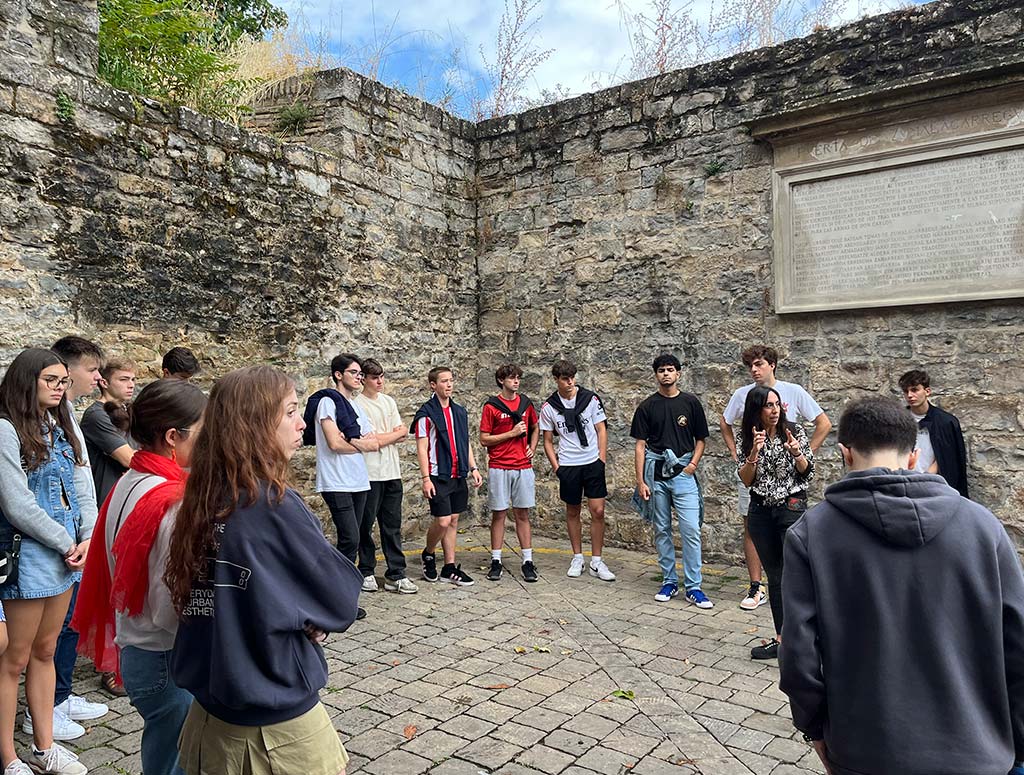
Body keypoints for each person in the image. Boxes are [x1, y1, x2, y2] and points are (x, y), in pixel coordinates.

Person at [780, 396, 1024, 775]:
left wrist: (815, 728)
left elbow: (798, 654)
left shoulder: (811, 534)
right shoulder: (983, 527)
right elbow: (1018, 640)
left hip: (866, 750)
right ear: (913, 456)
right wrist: (1018, 742)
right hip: (978, 750)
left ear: (845, 454)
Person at [165, 366, 360, 775]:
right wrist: (309, 615)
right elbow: (339, 597)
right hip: (274, 724)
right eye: (290, 411)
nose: (301, 422)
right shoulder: (272, 504)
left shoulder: (202, 498)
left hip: (210, 717)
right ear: (254, 425)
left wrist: (296, 609)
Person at [73, 380, 206, 775]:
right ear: (172, 437)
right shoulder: (169, 501)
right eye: (202, 433)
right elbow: (169, 605)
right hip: (165, 657)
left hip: (138, 650)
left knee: (163, 754)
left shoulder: (131, 480)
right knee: (175, 763)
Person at [0, 349, 93, 775]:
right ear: (27, 380)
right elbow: (16, 503)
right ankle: (9, 757)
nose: (60, 388)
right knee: (14, 659)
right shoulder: (5, 430)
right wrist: (65, 540)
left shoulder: (60, 423)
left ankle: (44, 746)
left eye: (62, 381)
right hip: (30, 555)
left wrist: (88, 535)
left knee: (46, 650)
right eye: (51, 380)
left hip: (66, 555)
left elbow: (82, 480)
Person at [719, 345, 830, 611]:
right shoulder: (742, 394)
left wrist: (802, 454)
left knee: (791, 538)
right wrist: (739, 454)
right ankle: (757, 587)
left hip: (787, 480)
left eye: (758, 364)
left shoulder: (793, 391)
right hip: (755, 471)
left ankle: (797, 591)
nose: (754, 370)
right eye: (750, 366)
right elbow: (725, 423)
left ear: (772, 365)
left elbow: (823, 423)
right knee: (752, 525)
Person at [47, 337, 109, 737]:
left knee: (71, 623)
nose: (98, 378)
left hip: (79, 533)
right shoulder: (47, 415)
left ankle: (62, 695)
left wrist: (89, 530)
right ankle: (47, 706)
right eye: (92, 370)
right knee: (55, 627)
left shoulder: (67, 411)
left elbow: (82, 478)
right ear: (69, 371)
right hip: (62, 538)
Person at [737, 386, 812, 660]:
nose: (774, 410)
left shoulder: (795, 431)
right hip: (760, 510)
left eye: (777, 404)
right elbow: (746, 479)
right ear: (757, 409)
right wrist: (754, 452)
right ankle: (783, 639)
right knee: (777, 576)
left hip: (790, 507)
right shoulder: (746, 437)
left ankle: (806, 638)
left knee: (797, 573)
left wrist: (797, 453)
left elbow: (808, 472)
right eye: (768, 405)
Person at [631, 353, 712, 608]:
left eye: (670, 370)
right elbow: (640, 446)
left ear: (678, 373)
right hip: (656, 476)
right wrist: (641, 481)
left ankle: (694, 586)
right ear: (656, 375)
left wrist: (692, 465)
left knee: (690, 529)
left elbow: (701, 439)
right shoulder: (647, 406)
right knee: (662, 529)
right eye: (661, 370)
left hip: (683, 474)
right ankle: (669, 581)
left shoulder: (690, 403)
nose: (666, 374)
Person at [78, 357, 136, 699]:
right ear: (104, 382)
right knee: (111, 588)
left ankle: (124, 658)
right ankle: (109, 666)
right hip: (106, 508)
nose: (130, 384)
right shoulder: (95, 416)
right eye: (123, 379)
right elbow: (130, 458)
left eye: (132, 379)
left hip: (127, 504)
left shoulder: (127, 413)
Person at [305, 354, 379, 618]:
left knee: (355, 539)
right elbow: (334, 444)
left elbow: (373, 441)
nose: (359, 377)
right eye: (354, 373)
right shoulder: (327, 402)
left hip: (359, 480)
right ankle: (334, 599)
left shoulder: (355, 405)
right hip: (336, 480)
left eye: (360, 374)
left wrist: (359, 442)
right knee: (349, 538)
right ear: (338, 374)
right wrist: (359, 444)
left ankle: (341, 598)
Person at [540, 360, 615, 582]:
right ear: (556, 380)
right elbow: (547, 440)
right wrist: (557, 467)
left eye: (572, 377)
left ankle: (597, 561)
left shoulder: (589, 399)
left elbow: (601, 429)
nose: (570, 382)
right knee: (572, 510)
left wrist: (601, 459)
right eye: (565, 378)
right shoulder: (549, 407)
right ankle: (577, 557)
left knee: (597, 510)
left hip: (591, 461)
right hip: (569, 464)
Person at [413, 367, 482, 586]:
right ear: (433, 385)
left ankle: (449, 568)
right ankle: (429, 553)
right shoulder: (426, 414)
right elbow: (422, 448)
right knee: (442, 521)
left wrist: (473, 468)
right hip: (437, 474)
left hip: (458, 473)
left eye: (451, 380)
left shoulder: (459, 411)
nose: (449, 385)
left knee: (453, 520)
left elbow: (465, 442)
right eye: (444, 381)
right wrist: (425, 479)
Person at [353, 359, 417, 594]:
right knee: (365, 525)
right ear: (364, 380)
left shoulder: (388, 401)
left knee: (392, 525)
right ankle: (366, 570)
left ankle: (396, 573)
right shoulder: (356, 404)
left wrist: (386, 436)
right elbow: (373, 441)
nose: (379, 381)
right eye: (374, 377)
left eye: (381, 376)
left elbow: (403, 433)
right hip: (369, 474)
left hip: (392, 472)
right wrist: (390, 435)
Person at [479, 364, 539, 583]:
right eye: (512, 378)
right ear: (501, 380)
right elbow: (484, 438)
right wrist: (511, 433)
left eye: (518, 378)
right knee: (499, 513)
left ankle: (527, 560)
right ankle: (496, 560)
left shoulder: (525, 404)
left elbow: (535, 426)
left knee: (523, 514)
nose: (516, 382)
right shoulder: (491, 407)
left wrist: (532, 445)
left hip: (523, 466)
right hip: (499, 465)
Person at [898, 369, 969, 498]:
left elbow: (949, 456)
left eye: (914, 390)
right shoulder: (898, 420)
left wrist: (927, 476)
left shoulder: (946, 422)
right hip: (903, 485)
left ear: (927, 391)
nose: (909, 395)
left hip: (935, 487)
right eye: (906, 391)